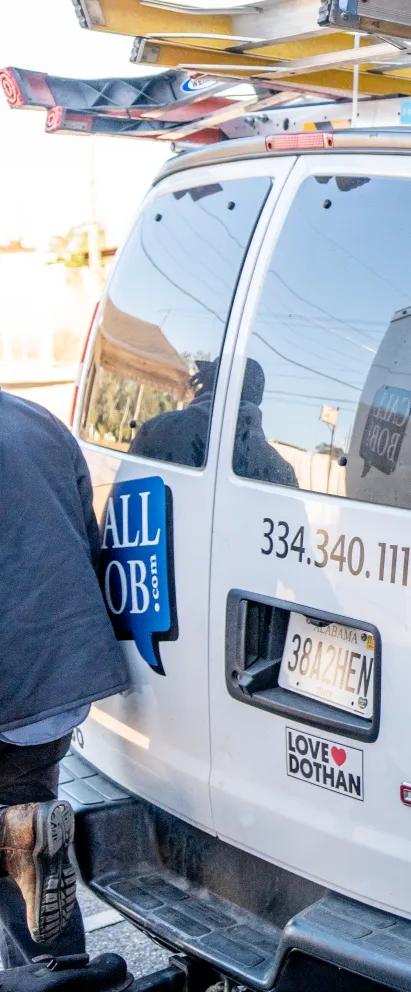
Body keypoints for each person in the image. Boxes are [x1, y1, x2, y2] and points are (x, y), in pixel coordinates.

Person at [0, 390, 131, 967]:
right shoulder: (36, 421)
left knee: (22, 840)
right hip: (58, 679)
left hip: (12, 684)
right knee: (33, 857)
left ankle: (13, 841)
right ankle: (60, 974)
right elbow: (87, 541)